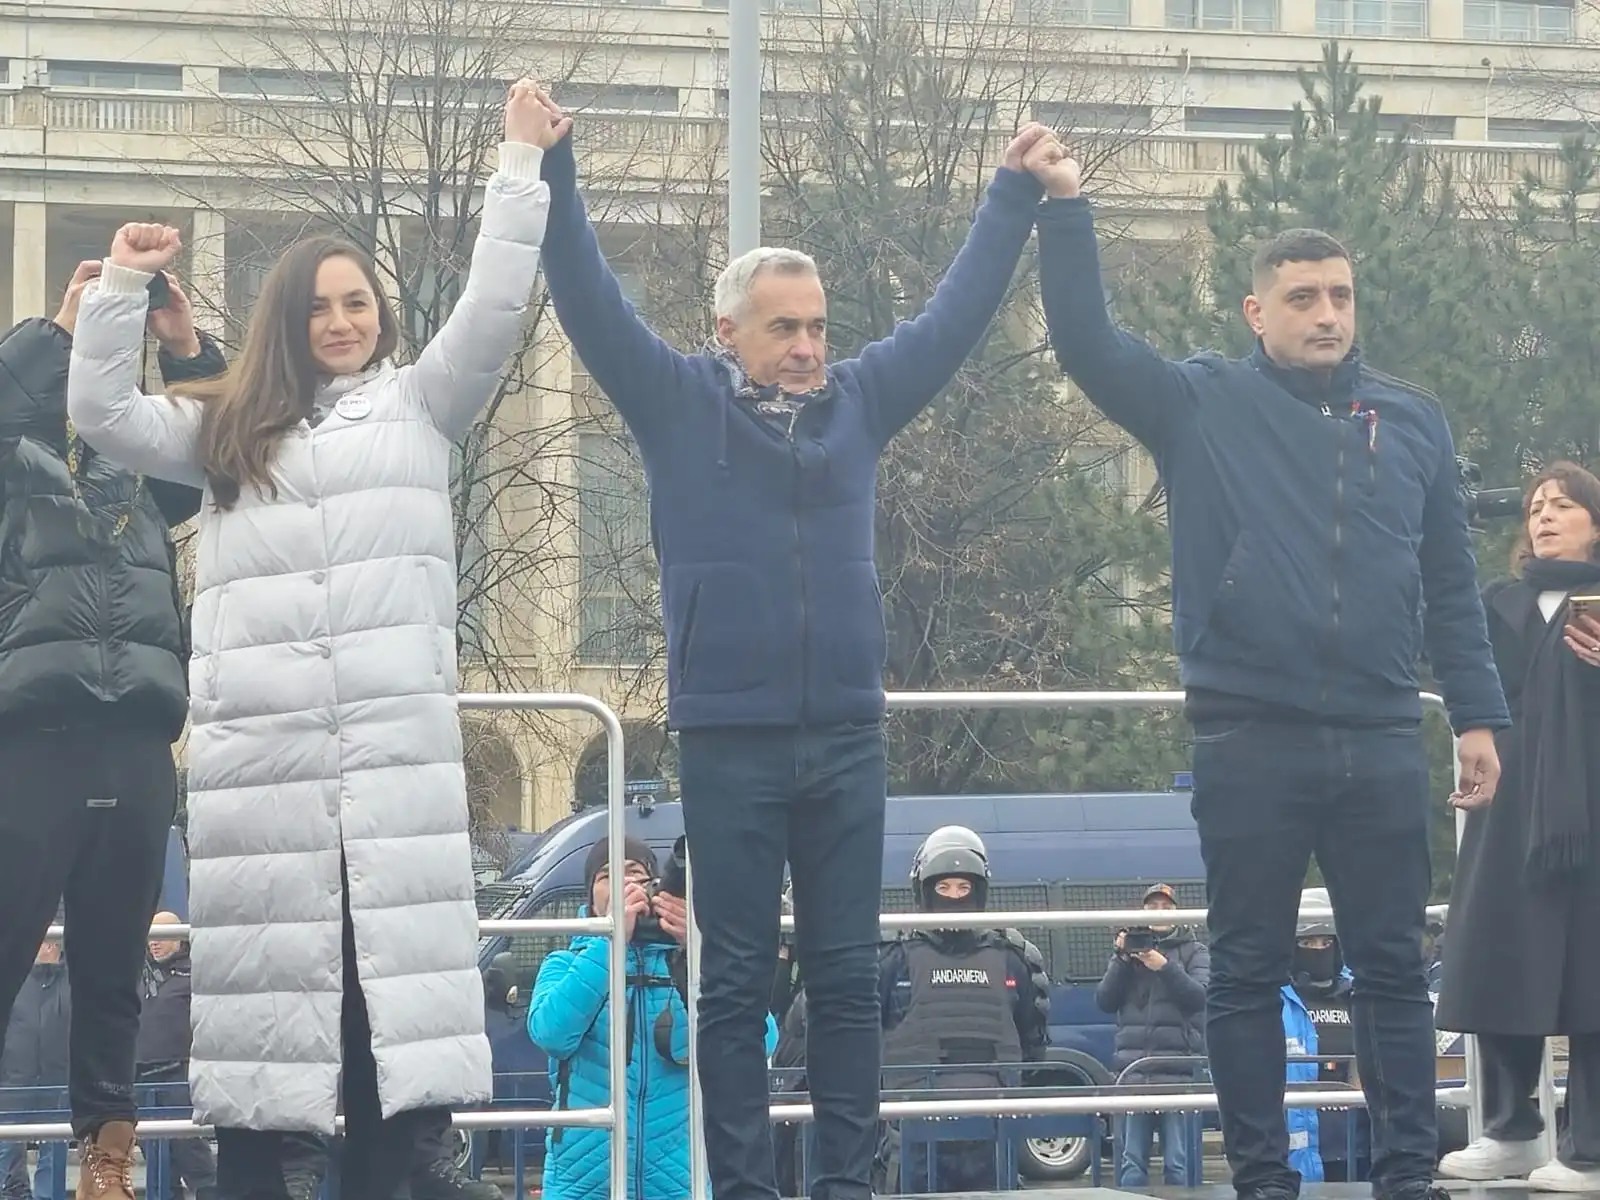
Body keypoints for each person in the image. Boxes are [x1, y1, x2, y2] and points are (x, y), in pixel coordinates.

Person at [530, 76, 1055, 1200]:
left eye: (817, 326)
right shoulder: (676, 402)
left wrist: (1010, 196)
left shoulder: (859, 403)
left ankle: (845, 1188)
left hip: (847, 736)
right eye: (784, 328)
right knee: (731, 987)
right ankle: (747, 1189)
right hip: (729, 738)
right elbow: (585, 297)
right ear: (728, 332)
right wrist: (557, 171)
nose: (808, 346)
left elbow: (952, 323)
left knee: (847, 978)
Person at [65, 80, 561, 1199]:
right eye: (318, 310)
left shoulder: (424, 407)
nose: (343, 322)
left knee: (394, 1088)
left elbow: (491, 305)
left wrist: (517, 167)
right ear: (287, 325)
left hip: (392, 797)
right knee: (257, 1095)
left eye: (357, 302)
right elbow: (100, 413)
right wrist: (123, 287)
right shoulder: (229, 432)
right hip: (267, 801)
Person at [1027, 129, 1511, 1200]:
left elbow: (1449, 588)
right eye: (1301, 297)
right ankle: (1260, 1183)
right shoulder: (1199, 402)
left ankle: (1404, 1180)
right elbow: (1088, 346)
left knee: (1391, 971)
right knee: (1242, 972)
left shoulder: (1415, 424)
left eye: (1339, 294)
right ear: (1257, 312)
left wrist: (1478, 717)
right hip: (1247, 732)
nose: (1326, 313)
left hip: (1384, 734)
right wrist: (1062, 209)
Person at [0, 261, 222, 1200]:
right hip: (31, 741)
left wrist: (182, 342)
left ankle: (106, 1165)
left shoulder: (142, 473)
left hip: (136, 742)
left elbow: (222, 444)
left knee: (111, 971)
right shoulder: (16, 464)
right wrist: (58, 321)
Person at [1437, 462, 1600, 1191]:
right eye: (1536, 506)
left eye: (1564, 505)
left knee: (1593, 975)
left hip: (1591, 807)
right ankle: (1511, 1130)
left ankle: (1591, 1147)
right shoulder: (1495, 601)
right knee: (1501, 955)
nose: (1544, 516)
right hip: (1511, 802)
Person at [527, 837, 778, 1200]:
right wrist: (609, 944)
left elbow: (762, 1040)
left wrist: (700, 953)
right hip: (581, 1185)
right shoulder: (565, 964)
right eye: (608, 876)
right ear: (591, 902)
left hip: (678, 1182)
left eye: (635, 874)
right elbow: (550, 1033)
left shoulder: (689, 964)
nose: (624, 886)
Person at [874, 827, 1049, 1194]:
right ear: (925, 889)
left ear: (979, 889)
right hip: (913, 1129)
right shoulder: (893, 955)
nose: (954, 897)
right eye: (944, 887)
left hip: (990, 1128)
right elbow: (864, 1038)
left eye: (963, 888)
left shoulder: (1013, 956)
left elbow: (1032, 1042)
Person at [1095, 884, 1210, 1188]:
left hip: (1178, 1074)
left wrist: (1165, 967)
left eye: (1166, 907)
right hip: (1133, 1075)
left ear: (1178, 913)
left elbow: (1200, 998)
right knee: (1131, 1164)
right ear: (1142, 912)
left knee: (1179, 1164)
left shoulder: (1194, 950)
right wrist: (1122, 958)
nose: (1159, 912)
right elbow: (1105, 1001)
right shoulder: (1127, 953)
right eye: (1152, 906)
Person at [1281, 889, 1368, 1184]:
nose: (1318, 949)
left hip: (1354, 1140)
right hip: (1295, 1143)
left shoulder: (1356, 994)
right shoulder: (1279, 997)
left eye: (1325, 942)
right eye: (1307, 942)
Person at [136, 913, 216, 1200]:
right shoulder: (138, 975)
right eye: (150, 937)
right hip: (142, 1080)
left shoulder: (195, 975)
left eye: (161, 936)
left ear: (180, 938)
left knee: (192, 1156)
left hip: (179, 1077)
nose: (153, 943)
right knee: (157, 1162)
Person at [0, 941, 72, 1200]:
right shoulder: (13, 980)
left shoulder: (71, 981)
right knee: (8, 1143)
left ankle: (48, 1196)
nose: (45, 949)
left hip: (58, 1078)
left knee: (53, 1146)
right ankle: (12, 1193)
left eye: (49, 943)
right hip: (14, 1077)